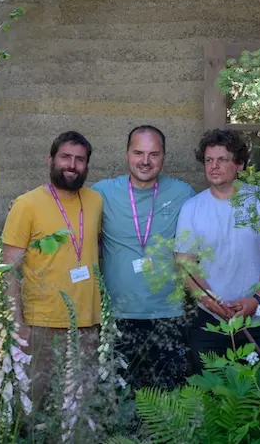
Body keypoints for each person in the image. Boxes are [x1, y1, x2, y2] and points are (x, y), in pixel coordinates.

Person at [1, 131, 103, 409]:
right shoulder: (26, 205)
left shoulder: (95, 201)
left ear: (87, 165)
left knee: (80, 410)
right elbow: (8, 271)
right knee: (33, 408)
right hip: (40, 326)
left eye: (80, 159)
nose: (72, 165)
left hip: (86, 326)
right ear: (51, 160)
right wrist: (17, 325)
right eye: (65, 157)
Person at [175, 128, 260, 374]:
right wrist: (211, 302)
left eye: (222, 159)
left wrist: (256, 300)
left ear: (239, 164)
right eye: (208, 160)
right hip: (210, 321)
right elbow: (186, 263)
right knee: (214, 392)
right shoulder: (192, 207)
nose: (213, 166)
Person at [92, 125, 195, 390]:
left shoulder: (183, 194)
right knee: (120, 399)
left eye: (154, 154)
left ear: (164, 156)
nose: (145, 161)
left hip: (168, 315)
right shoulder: (103, 193)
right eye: (138, 153)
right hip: (118, 316)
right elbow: (70, 214)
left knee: (167, 398)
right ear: (127, 153)